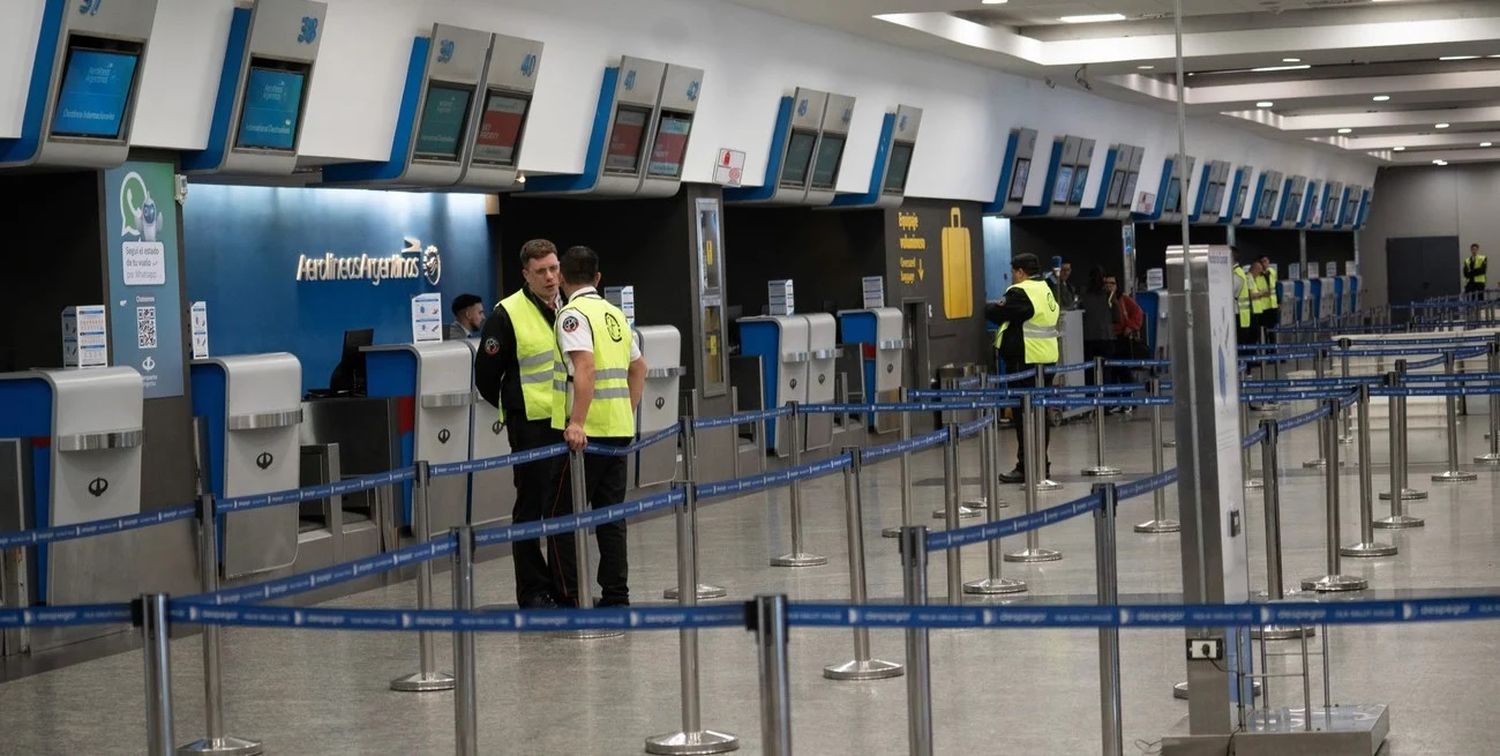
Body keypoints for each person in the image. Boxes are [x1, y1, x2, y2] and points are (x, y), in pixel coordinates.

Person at [551, 246, 647, 607]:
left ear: (561, 278)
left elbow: (585, 369)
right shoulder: (615, 315)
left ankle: (572, 596)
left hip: (588, 435)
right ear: (598, 278)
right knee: (611, 515)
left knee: (563, 515)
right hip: (620, 429)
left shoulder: (572, 315)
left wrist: (576, 421)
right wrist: (626, 407)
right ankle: (616, 593)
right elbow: (640, 368)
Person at [473, 241, 565, 608]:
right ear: (526, 274)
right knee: (531, 507)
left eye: (554, 269)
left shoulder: (567, 307)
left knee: (561, 506)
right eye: (541, 271)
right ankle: (533, 589)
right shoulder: (505, 314)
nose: (550, 277)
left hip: (563, 421)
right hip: (530, 424)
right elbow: (486, 376)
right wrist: (511, 408)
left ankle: (563, 585)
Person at [986, 252, 1060, 483]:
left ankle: (1026, 467)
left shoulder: (1022, 291)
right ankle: (1041, 464)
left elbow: (997, 312)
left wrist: (988, 307)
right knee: (1039, 413)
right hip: (1046, 358)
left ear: (1019, 272)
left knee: (1024, 414)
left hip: (1025, 359)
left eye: (1014, 273)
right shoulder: (1046, 288)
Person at [1078, 266, 1116, 381]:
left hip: (1088, 338)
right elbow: (1117, 316)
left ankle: (1091, 397)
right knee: (1106, 374)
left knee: (1089, 374)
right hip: (1106, 337)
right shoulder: (1108, 295)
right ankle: (1106, 397)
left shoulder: (1083, 295)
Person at [1255, 255, 1280, 343]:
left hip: (1273, 305)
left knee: (1272, 330)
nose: (1265, 264)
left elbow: (1276, 287)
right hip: (1263, 306)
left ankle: (1273, 350)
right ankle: (1266, 350)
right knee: (1264, 331)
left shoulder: (1272, 272)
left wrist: (1278, 301)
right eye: (1262, 262)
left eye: (1266, 261)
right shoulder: (1257, 275)